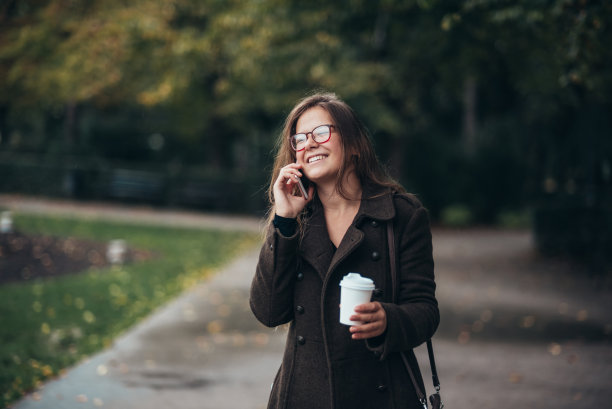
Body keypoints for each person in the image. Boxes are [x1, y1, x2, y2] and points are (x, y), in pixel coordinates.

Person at [250, 92, 439, 409]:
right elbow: (268, 312)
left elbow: (426, 311)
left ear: (353, 144)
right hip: (303, 396)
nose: (308, 143)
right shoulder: (296, 220)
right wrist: (283, 220)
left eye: (321, 132)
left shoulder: (403, 214)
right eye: (299, 138)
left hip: (381, 394)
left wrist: (388, 320)